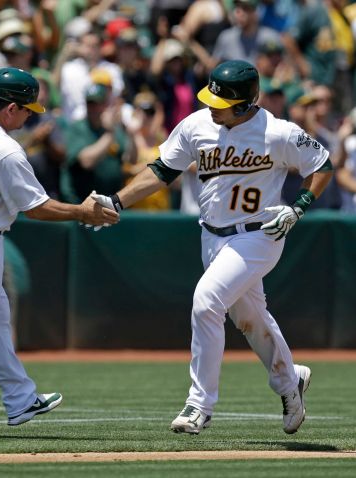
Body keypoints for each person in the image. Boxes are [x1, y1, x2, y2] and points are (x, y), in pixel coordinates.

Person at [90, 60, 333, 434]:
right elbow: (161, 170)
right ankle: (290, 382)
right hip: (212, 236)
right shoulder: (196, 124)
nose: (212, 105)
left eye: (221, 101)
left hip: (259, 234)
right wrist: (117, 201)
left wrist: (298, 208)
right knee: (250, 319)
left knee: (206, 300)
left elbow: (322, 165)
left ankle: (198, 404)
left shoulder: (278, 132)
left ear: (246, 103)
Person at [0, 67, 118, 439]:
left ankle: (20, 398)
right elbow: (36, 207)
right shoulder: (4, 148)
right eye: (27, 109)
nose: (30, 115)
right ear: (11, 108)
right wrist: (82, 211)